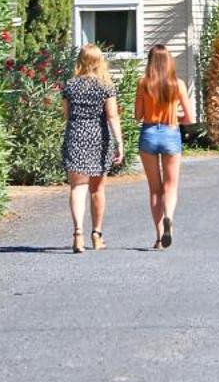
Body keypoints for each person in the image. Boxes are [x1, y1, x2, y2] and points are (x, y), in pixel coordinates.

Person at [61, 43, 125, 253]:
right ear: (99, 62)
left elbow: (67, 115)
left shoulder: (69, 86)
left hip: (76, 136)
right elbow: (112, 116)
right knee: (97, 189)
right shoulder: (105, 86)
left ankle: (78, 233)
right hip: (99, 137)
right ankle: (96, 235)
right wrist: (119, 142)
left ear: (80, 61)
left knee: (77, 188)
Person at [135, 44, 193, 249]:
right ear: (169, 61)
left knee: (154, 189)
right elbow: (189, 118)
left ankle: (159, 237)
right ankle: (169, 215)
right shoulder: (177, 84)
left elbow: (138, 115)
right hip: (170, 132)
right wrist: (174, 114)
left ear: (150, 62)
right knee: (171, 185)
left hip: (149, 133)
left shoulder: (143, 83)